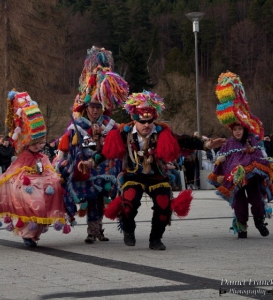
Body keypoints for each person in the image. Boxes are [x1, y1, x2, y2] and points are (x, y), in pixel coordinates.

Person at [82, 90, 226, 250]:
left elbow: (183, 139)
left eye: (149, 121)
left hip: (158, 177)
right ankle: (128, 229)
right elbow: (106, 151)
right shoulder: (124, 132)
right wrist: (90, 162)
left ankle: (155, 239)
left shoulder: (162, 131)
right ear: (134, 119)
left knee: (164, 206)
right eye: (142, 122)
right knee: (128, 203)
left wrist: (206, 145)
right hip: (133, 176)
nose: (146, 125)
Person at [55, 46, 128, 244]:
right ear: (86, 108)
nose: (95, 111)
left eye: (98, 107)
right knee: (90, 199)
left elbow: (116, 146)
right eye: (92, 107)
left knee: (102, 199)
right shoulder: (78, 125)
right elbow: (68, 146)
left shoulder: (111, 125)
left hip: (105, 168)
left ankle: (97, 230)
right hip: (85, 167)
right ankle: (92, 230)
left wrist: (102, 141)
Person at [0, 90, 69, 247]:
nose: (38, 146)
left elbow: (49, 170)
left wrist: (51, 178)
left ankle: (34, 234)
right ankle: (27, 234)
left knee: (49, 193)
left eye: (40, 143)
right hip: (28, 190)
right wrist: (29, 178)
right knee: (33, 200)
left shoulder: (42, 157)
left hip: (42, 187)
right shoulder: (23, 157)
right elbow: (15, 172)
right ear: (27, 144)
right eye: (34, 144)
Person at [208, 71, 272, 238]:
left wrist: (252, 155)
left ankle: (259, 221)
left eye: (239, 129)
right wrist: (219, 162)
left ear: (244, 129)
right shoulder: (228, 143)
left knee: (256, 199)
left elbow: (261, 156)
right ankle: (241, 227)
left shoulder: (252, 140)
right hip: (234, 179)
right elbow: (222, 160)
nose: (237, 132)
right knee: (239, 203)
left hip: (251, 177)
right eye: (235, 129)